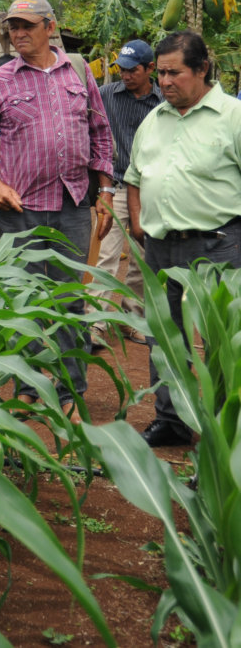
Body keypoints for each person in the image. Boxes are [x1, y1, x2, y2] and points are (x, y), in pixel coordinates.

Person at [0, 0, 115, 421]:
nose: (18, 34)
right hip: (20, 208)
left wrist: (104, 191)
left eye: (27, 26)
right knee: (21, 298)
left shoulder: (80, 72)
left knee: (69, 300)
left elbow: (100, 134)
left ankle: (71, 390)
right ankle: (29, 384)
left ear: (51, 27)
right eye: (13, 26)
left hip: (71, 205)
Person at [124, 31, 241, 447]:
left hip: (217, 245)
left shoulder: (232, 116)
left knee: (220, 339)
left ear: (202, 69)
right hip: (160, 246)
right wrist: (137, 221)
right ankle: (171, 420)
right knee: (164, 336)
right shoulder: (153, 120)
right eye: (162, 74)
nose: (166, 82)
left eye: (176, 73)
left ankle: (221, 430)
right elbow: (134, 177)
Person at [88, 40, 161, 347]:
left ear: (150, 69)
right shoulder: (106, 96)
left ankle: (134, 318)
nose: (126, 76)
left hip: (151, 190)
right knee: (105, 256)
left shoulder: (164, 101)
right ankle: (94, 325)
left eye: (133, 70)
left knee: (142, 257)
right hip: (115, 186)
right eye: (122, 70)